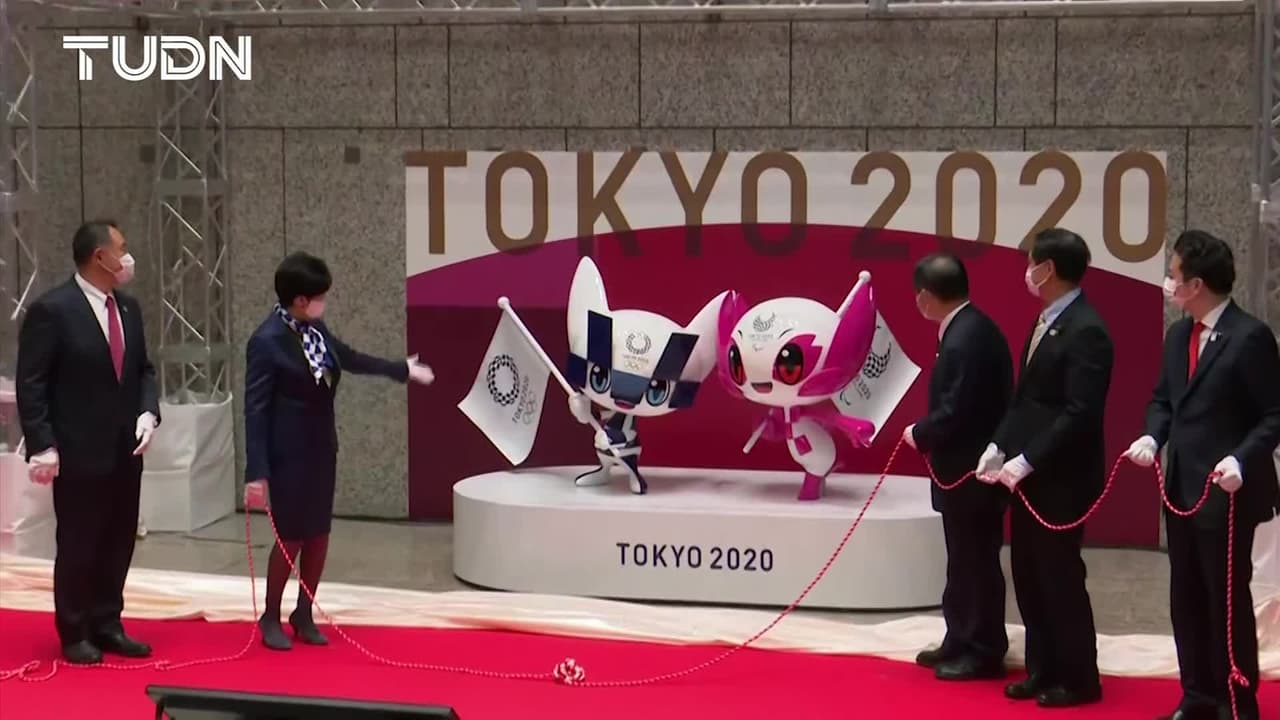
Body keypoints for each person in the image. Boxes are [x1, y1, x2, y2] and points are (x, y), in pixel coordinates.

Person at [243, 252, 435, 651]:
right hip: (287, 455)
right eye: (319, 296)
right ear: (299, 300)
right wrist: (256, 471)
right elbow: (255, 410)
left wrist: (399, 369)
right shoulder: (266, 342)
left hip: (321, 448)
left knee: (318, 533)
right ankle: (270, 614)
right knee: (291, 537)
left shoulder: (315, 329)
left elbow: (349, 358)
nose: (323, 303)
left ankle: (304, 611)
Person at [1123, 230, 1279, 720]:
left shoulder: (1249, 337)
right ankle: (1197, 695)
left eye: (1173, 274)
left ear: (1195, 284)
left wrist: (1242, 458)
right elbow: (1163, 399)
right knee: (1186, 596)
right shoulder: (1178, 336)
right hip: (1182, 489)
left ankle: (1237, 701)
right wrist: (1153, 435)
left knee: (1225, 600)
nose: (1168, 282)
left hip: (1227, 490)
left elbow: (1273, 414)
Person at [976, 227, 1112, 708]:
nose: (1027, 271)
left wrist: (1029, 459)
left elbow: (1079, 412)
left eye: (1031, 262)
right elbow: (1027, 398)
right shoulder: (1044, 320)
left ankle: (1078, 677)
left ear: (1048, 268)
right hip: (1026, 476)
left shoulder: (1087, 330)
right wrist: (999, 445)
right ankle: (1043, 667)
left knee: (1059, 576)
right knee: (1029, 573)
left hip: (1062, 477)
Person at [15, 220, 160, 665]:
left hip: (125, 450)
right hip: (78, 450)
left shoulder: (128, 308)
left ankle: (107, 621)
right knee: (80, 541)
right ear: (101, 257)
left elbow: (143, 370)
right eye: (122, 247)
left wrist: (148, 412)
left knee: (119, 538)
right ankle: (75, 628)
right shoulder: (53, 310)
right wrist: (42, 442)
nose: (128, 256)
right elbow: (32, 382)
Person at [904, 253, 1014, 681]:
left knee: (976, 562)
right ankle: (960, 636)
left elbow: (957, 408)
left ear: (926, 296)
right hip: (960, 470)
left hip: (972, 471)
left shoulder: (967, 337)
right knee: (961, 560)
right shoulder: (967, 328)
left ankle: (983, 648)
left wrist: (920, 433)